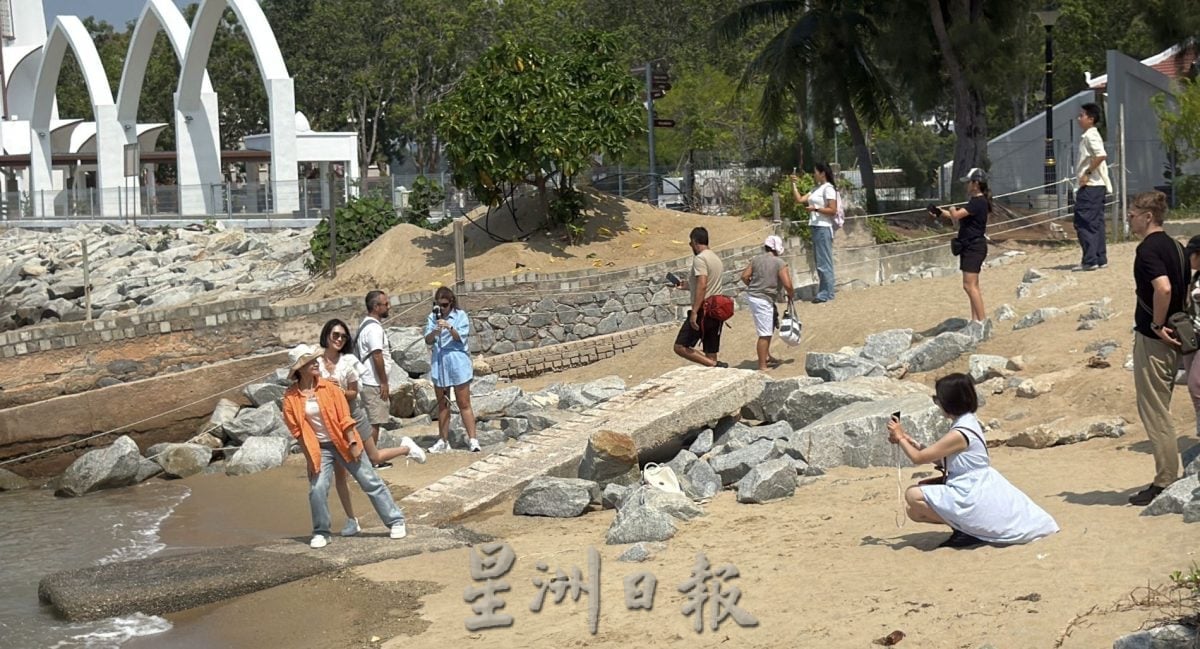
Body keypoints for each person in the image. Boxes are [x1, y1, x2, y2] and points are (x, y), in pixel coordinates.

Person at [886, 373, 1059, 548]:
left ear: (949, 402)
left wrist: (900, 438)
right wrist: (907, 440)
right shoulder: (966, 422)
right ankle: (967, 529)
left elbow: (918, 458)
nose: (937, 403)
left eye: (938, 399)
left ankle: (968, 531)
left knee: (912, 495)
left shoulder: (960, 432)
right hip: (972, 486)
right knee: (914, 512)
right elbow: (942, 458)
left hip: (973, 491)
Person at [281, 344, 408, 549]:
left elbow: (345, 417)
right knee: (317, 488)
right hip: (320, 448)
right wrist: (309, 458)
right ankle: (321, 531)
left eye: (315, 360)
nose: (316, 363)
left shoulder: (329, 387)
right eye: (310, 362)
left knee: (369, 480)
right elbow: (298, 432)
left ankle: (396, 521)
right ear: (299, 369)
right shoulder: (290, 398)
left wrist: (353, 442)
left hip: (343, 441)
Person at [318, 319, 424, 537]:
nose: (339, 339)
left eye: (343, 336)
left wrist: (337, 390)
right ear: (326, 335)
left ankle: (405, 448)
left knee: (372, 460)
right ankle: (351, 519)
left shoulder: (348, 361)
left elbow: (354, 394)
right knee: (340, 477)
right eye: (335, 335)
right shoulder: (316, 361)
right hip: (330, 424)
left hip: (352, 418)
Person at [1128, 191, 1187, 506]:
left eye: (1133, 213)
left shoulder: (1148, 249)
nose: (1129, 217)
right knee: (1159, 407)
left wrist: (1156, 324)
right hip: (1178, 332)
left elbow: (1162, 287)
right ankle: (1167, 476)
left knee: (1155, 410)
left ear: (1148, 216)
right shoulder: (1177, 246)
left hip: (1156, 338)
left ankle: (1165, 480)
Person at [424, 287, 482, 453]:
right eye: (438, 305)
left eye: (444, 305)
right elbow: (428, 340)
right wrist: (435, 331)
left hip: (457, 361)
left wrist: (449, 327)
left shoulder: (460, 316)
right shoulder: (432, 318)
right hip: (440, 361)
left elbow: (460, 338)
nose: (441, 308)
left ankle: (473, 439)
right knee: (443, 404)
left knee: (464, 402)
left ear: (451, 303)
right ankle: (442, 439)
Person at [932, 167, 991, 322]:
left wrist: (951, 208)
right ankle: (975, 320)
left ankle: (983, 322)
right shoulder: (974, 203)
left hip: (974, 247)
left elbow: (956, 215)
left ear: (976, 184)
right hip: (970, 246)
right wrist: (939, 212)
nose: (966, 186)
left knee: (969, 286)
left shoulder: (978, 202)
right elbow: (958, 215)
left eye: (968, 182)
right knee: (973, 286)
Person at [672, 226, 728, 368]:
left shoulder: (700, 259)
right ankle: (714, 368)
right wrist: (687, 285)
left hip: (704, 309)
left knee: (680, 346)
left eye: (690, 243)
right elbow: (707, 283)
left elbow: (702, 285)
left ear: (695, 242)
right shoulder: (715, 258)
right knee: (711, 350)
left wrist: (694, 312)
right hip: (717, 309)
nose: (691, 246)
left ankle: (715, 365)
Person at [740, 235, 794, 371]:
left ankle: (767, 357)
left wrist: (753, 286)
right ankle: (762, 366)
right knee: (765, 333)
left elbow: (744, 276)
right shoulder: (779, 263)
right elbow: (787, 283)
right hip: (763, 299)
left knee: (768, 327)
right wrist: (791, 295)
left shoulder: (756, 260)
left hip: (754, 296)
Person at [355, 290, 393, 468]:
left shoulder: (366, 325)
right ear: (376, 307)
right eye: (386, 304)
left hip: (368, 380)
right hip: (373, 382)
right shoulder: (373, 329)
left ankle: (368, 460)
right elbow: (377, 355)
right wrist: (383, 382)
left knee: (371, 421)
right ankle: (371, 461)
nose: (389, 306)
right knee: (374, 423)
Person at [1074, 102, 1113, 271]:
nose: (1079, 118)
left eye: (1082, 115)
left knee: (1084, 222)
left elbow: (1101, 155)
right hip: (1097, 187)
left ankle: (1090, 260)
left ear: (1091, 119)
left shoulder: (1090, 136)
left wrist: (1087, 173)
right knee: (1096, 222)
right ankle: (1099, 257)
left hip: (1091, 186)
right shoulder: (1090, 135)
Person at [791, 163, 838, 303]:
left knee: (824, 262)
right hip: (816, 226)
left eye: (815, 171)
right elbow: (799, 199)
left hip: (823, 227)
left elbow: (832, 210)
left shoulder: (828, 188)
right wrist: (793, 185)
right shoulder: (816, 189)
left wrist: (816, 209)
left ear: (822, 173)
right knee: (820, 261)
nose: (814, 174)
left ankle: (827, 293)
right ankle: (825, 291)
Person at [1181, 235, 1200, 442]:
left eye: (1191, 255)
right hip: (1192, 336)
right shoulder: (1194, 277)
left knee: (1196, 384)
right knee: (1192, 385)